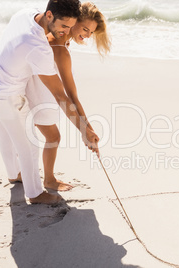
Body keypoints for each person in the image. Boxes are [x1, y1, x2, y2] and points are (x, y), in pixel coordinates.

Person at [0, 0, 100, 205]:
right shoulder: (38, 47)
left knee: (6, 137)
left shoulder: (27, 13)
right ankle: (36, 194)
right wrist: (83, 129)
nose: (67, 31)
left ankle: (14, 174)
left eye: (70, 27)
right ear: (49, 16)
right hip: (7, 95)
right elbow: (61, 96)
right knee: (29, 146)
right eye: (64, 26)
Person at [26, 2, 111, 191]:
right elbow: (71, 95)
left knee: (47, 137)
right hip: (39, 94)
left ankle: (21, 174)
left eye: (91, 32)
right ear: (73, 22)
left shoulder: (58, 37)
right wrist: (86, 129)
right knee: (53, 137)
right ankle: (48, 180)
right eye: (85, 29)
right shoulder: (60, 49)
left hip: (39, 90)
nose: (88, 35)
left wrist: (87, 129)